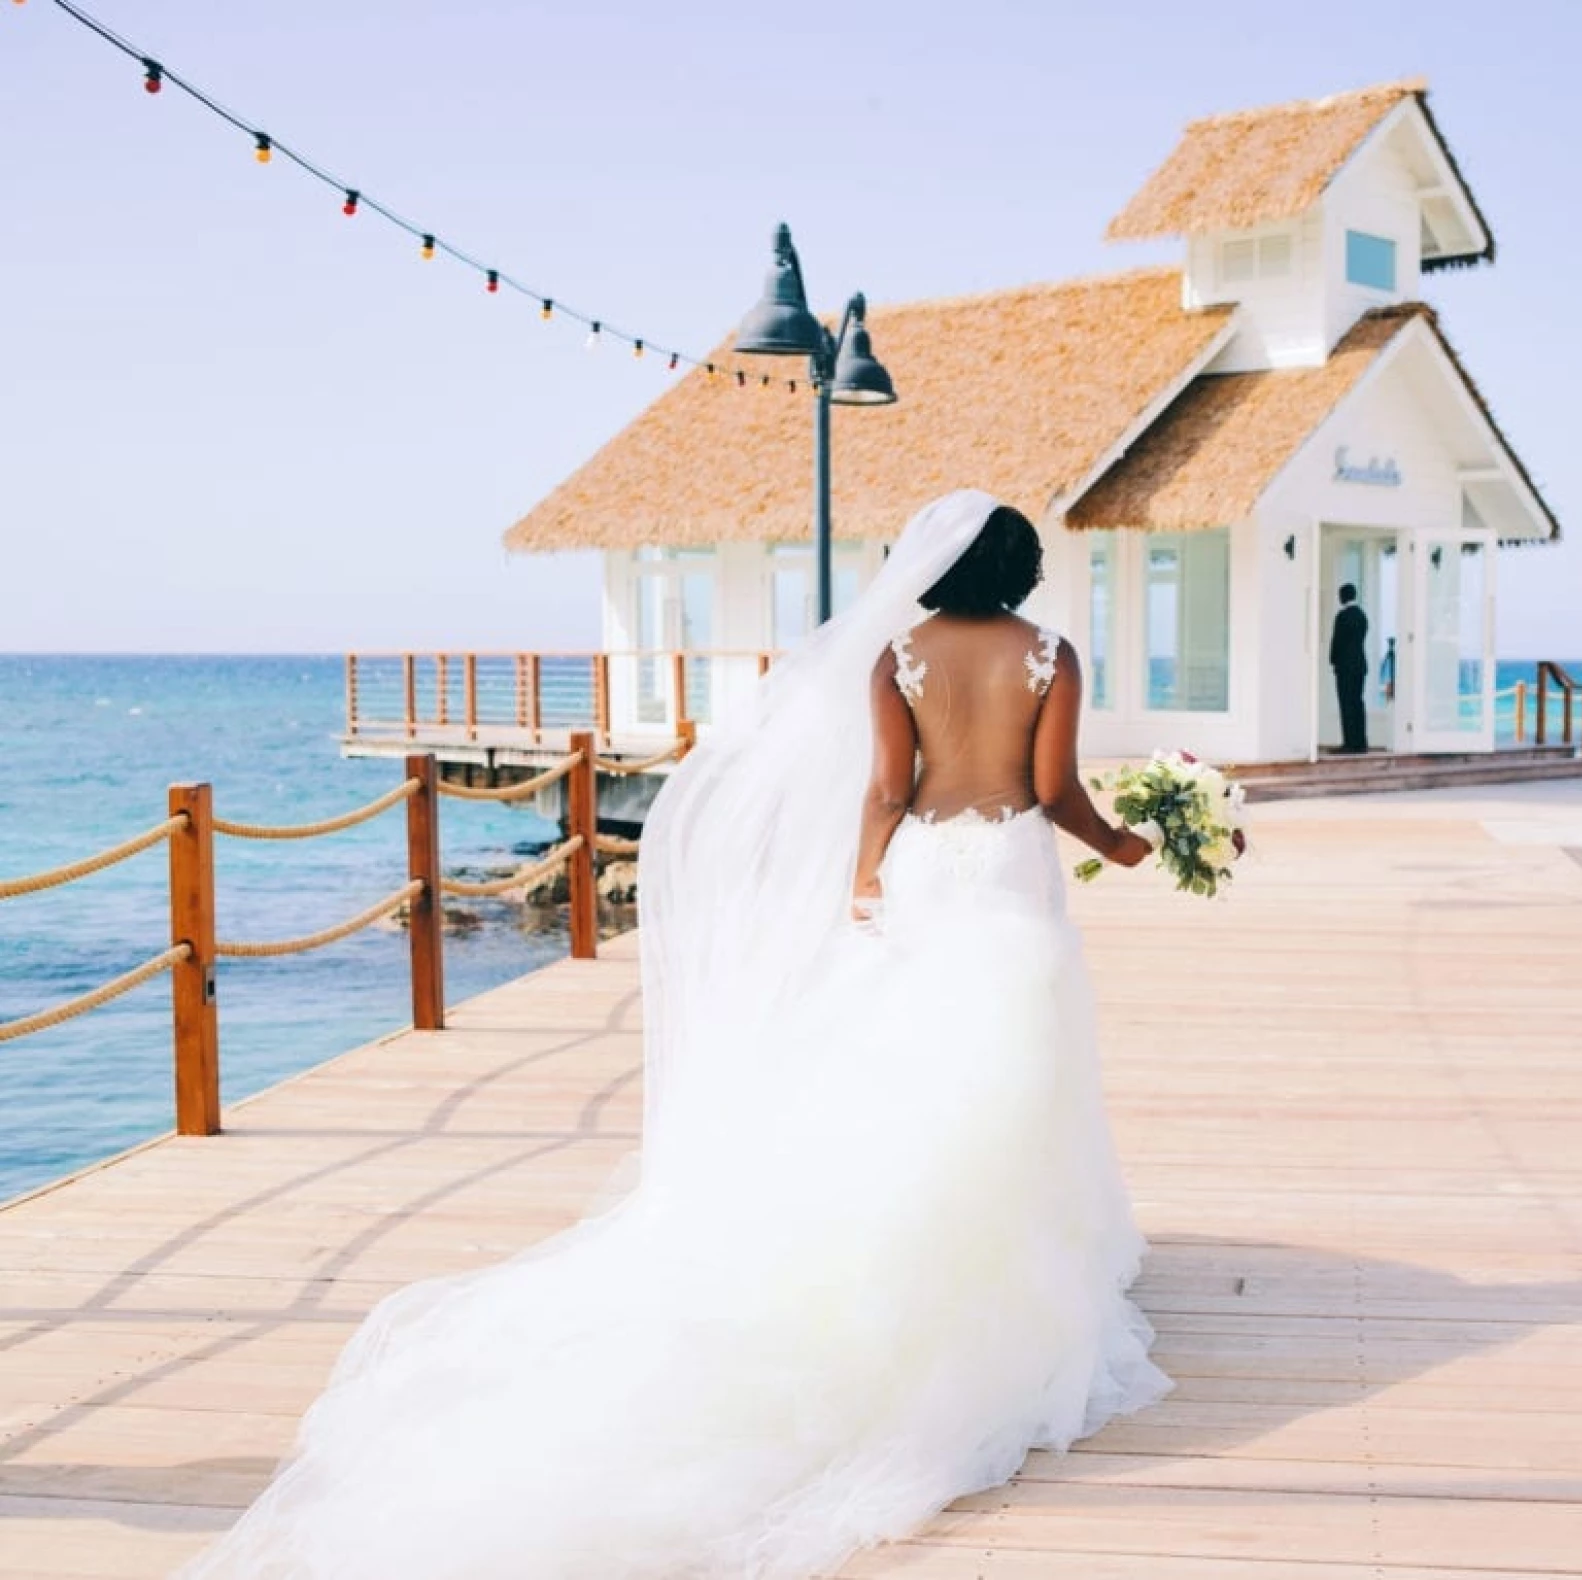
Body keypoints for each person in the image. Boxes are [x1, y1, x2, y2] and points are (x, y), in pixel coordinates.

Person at [177, 492, 1166, 1580]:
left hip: (926, 869)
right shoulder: (1050, 653)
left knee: (910, 1066)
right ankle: (1009, 1263)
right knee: (1010, 1069)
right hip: (1010, 875)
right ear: (1020, 569)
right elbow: (1051, 788)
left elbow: (889, 786)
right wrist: (1121, 843)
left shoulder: (894, 654)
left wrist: (862, 880)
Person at [1329, 582, 1371, 753]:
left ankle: (1349, 743)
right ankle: (1361, 742)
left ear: (1343, 596)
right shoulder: (1362, 616)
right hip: (1360, 665)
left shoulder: (1342, 616)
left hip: (1345, 667)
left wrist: (1333, 660)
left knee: (1346, 704)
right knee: (1358, 703)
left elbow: (1337, 641)